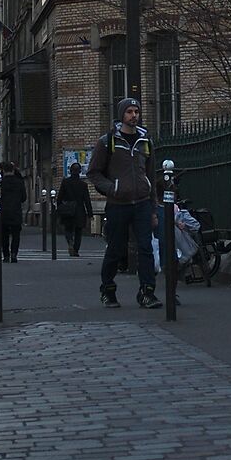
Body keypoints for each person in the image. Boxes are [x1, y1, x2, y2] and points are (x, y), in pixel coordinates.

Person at [89, 97, 158, 308]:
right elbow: (94, 172)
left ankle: (147, 292)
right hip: (118, 204)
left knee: (145, 248)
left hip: (142, 202)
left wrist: (153, 209)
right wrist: (112, 189)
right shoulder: (107, 141)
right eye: (129, 111)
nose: (134, 115)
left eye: (136, 111)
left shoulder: (145, 141)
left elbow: (151, 174)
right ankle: (108, 289)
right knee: (116, 248)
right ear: (122, 115)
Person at [54, 158, 92, 259]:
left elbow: (60, 197)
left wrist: (59, 209)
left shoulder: (65, 182)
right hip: (79, 210)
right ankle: (75, 250)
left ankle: (70, 241)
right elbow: (87, 200)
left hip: (68, 210)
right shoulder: (83, 185)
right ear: (80, 171)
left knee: (68, 229)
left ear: (70, 171)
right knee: (79, 231)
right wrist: (90, 214)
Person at [0, 159, 25, 262]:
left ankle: (6, 255)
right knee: (16, 234)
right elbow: (24, 198)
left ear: (3, 171)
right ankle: (14, 254)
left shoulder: (0, 183)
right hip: (16, 211)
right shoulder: (19, 182)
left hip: (3, 212)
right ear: (13, 170)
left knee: (4, 235)